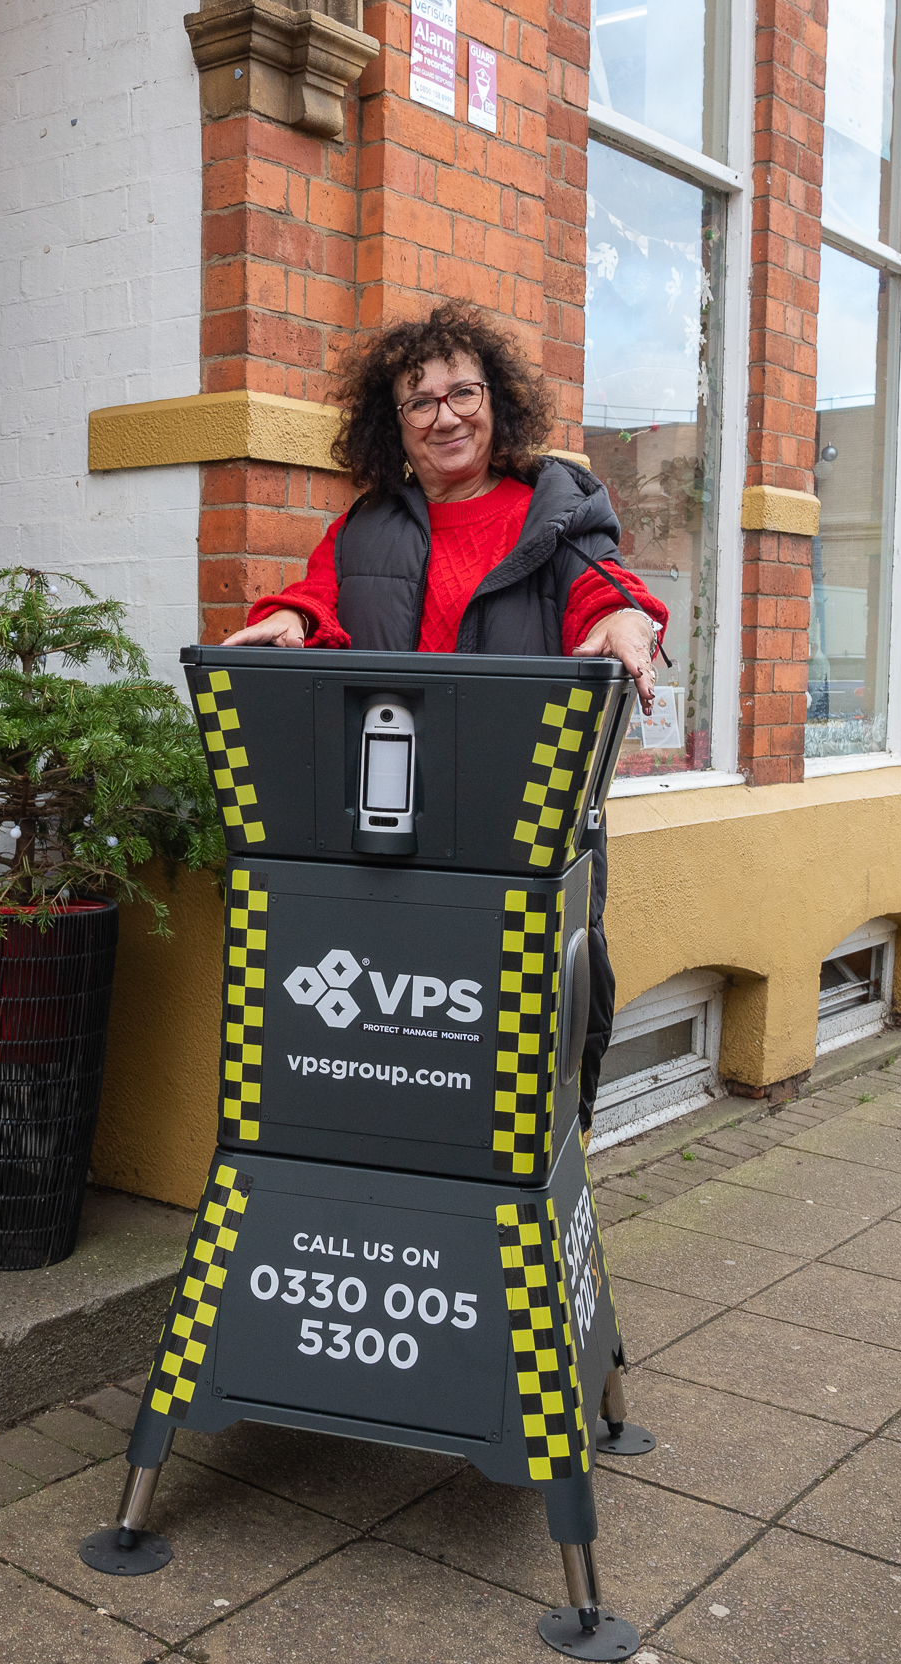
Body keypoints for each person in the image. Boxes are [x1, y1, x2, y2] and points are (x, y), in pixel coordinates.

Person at [221, 298, 666, 1119]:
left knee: (521, 1038)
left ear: (496, 402)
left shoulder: (556, 512)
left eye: (463, 393)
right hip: (399, 830)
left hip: (519, 826)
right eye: (419, 401)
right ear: (395, 423)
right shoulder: (368, 524)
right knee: (411, 1031)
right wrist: (290, 618)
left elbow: (602, 590)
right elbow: (319, 598)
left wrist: (620, 618)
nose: (444, 416)